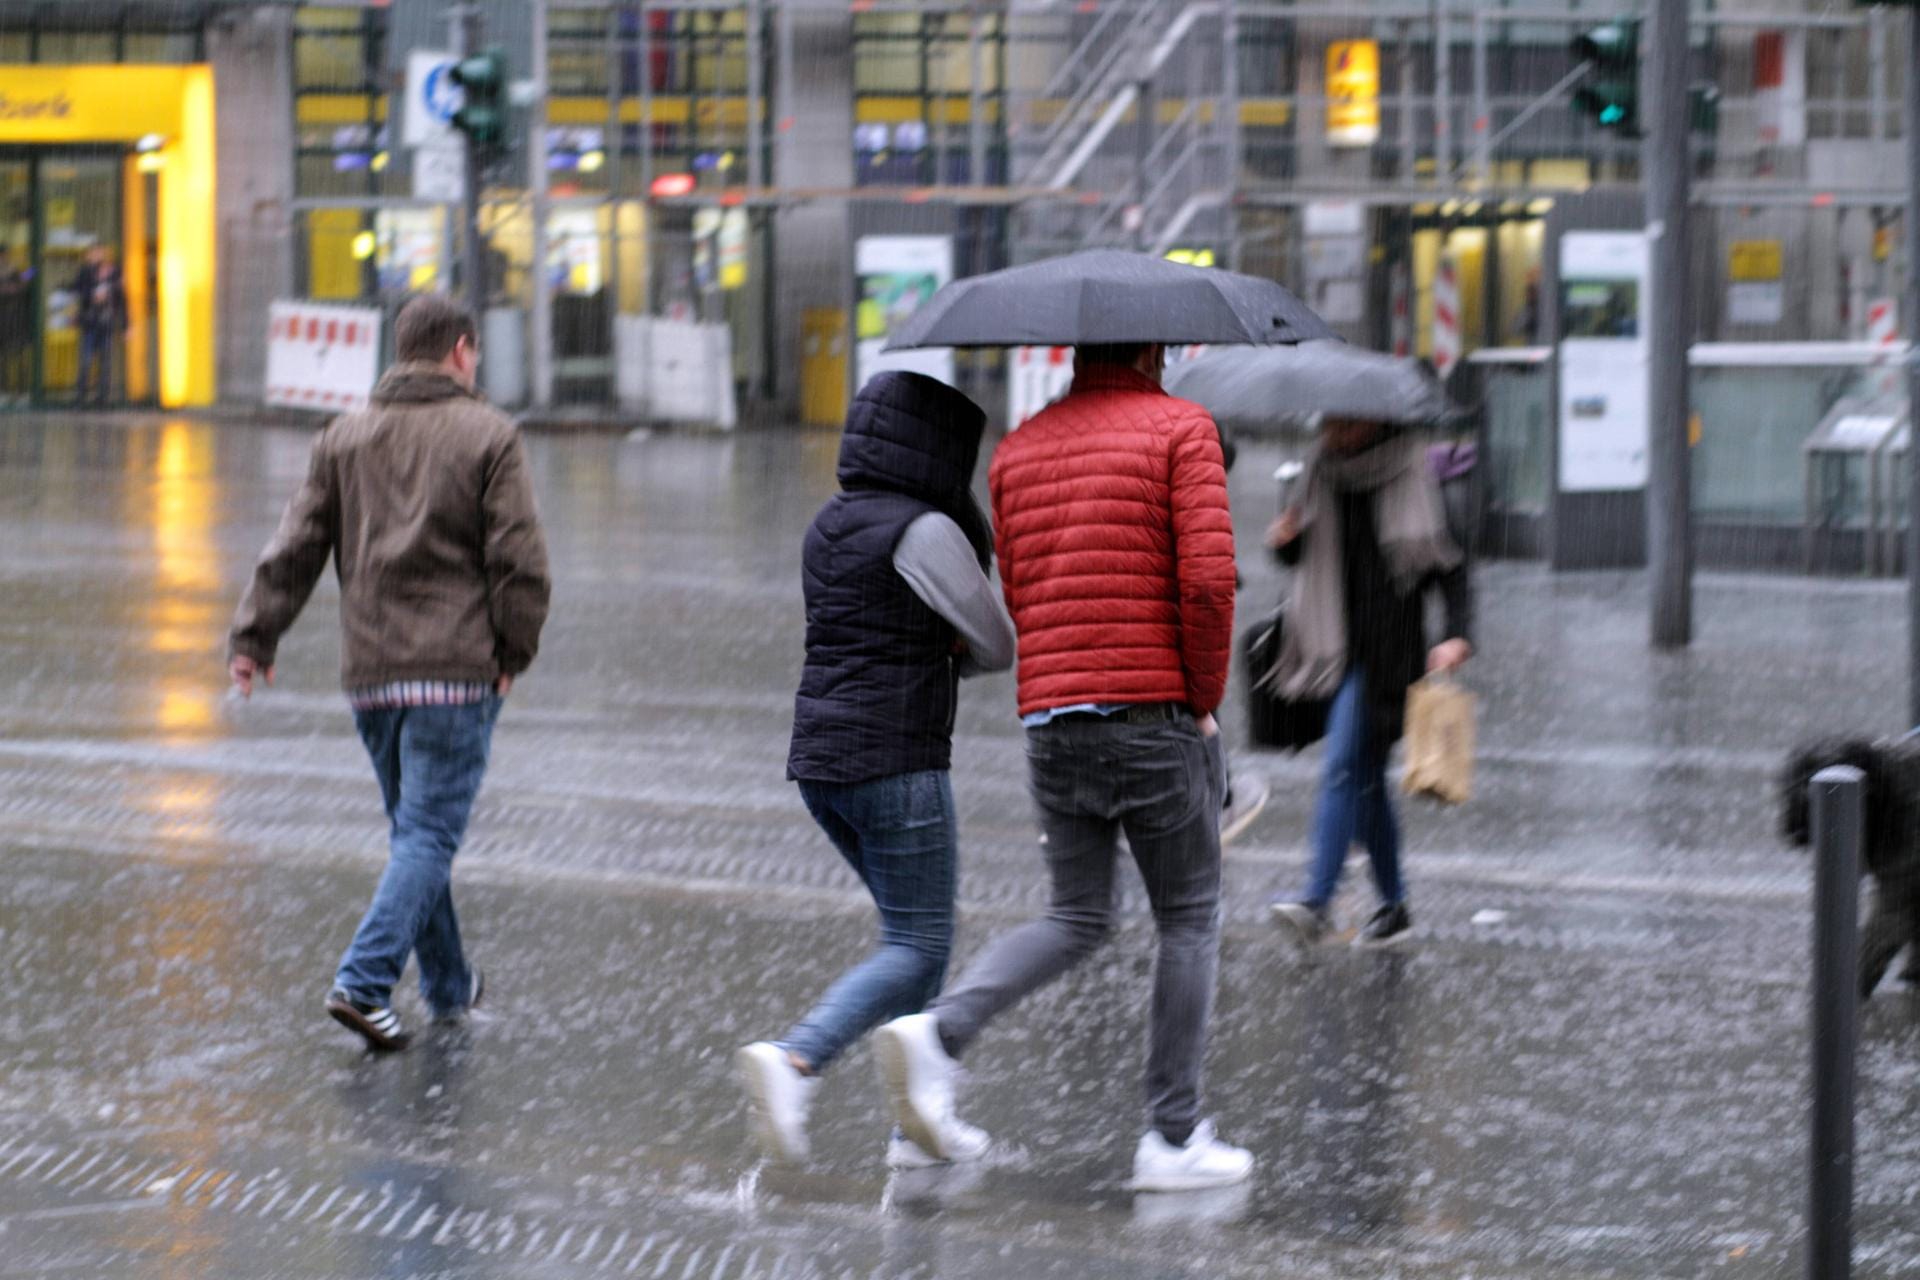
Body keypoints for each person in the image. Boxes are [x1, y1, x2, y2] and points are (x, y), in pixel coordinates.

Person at [873, 342, 1255, 1193]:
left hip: (1053, 719)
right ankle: (1173, 1136)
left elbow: (1027, 587)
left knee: (1078, 915)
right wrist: (1203, 695)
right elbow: (1207, 587)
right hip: (1155, 714)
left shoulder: (1019, 448)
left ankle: (938, 1034)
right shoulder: (1183, 431)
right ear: (1154, 348)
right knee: (1188, 915)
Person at [227, 294, 551, 1052]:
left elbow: (296, 545)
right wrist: (514, 652)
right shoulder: (490, 434)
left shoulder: (343, 437)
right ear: (463, 351)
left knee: (416, 834)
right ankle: (364, 982)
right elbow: (519, 559)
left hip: (371, 674)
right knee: (429, 836)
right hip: (455, 669)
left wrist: (254, 637)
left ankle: (447, 985)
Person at [734, 370, 1013, 1168]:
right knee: (920, 943)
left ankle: (916, 1129)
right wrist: (949, 644)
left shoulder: (828, 523)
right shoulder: (924, 529)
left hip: (822, 765)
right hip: (898, 758)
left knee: (906, 939)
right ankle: (797, 1061)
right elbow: (996, 644)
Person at [1263, 415, 1472, 948]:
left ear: (1373, 421)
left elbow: (1448, 563)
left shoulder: (1410, 471)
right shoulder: (1318, 470)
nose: (1332, 430)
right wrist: (1283, 540)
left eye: (1343, 420)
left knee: (1341, 768)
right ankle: (1395, 905)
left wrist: (1456, 633)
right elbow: (1299, 555)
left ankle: (1316, 899)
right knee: (1366, 780)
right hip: (1329, 646)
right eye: (1327, 420)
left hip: (1388, 652)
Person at [71, 246, 125, 407]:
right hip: (90, 322)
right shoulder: (85, 273)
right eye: (93, 254)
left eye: (100, 253)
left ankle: (102, 398)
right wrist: (93, 295)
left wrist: (125, 324)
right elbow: (76, 290)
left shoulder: (115, 273)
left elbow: (121, 298)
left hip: (106, 322)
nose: (97, 256)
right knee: (85, 361)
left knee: (105, 361)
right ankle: (81, 398)